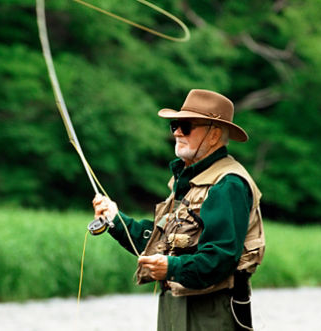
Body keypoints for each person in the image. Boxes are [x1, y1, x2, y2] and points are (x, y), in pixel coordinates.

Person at [92, 89, 265, 331]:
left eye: (186, 127)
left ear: (214, 135)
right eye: (175, 126)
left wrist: (171, 268)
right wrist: (114, 219)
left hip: (211, 312)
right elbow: (161, 241)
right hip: (177, 306)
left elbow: (220, 259)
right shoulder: (189, 180)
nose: (176, 133)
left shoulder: (228, 185)